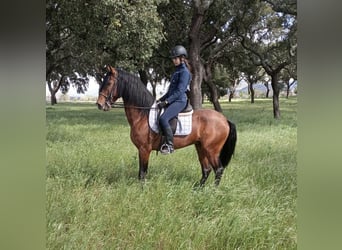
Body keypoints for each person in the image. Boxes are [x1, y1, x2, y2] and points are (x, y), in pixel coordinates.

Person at [156, 45, 192, 154]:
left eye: (176, 58)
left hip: (180, 101)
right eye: (173, 59)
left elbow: (180, 91)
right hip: (174, 99)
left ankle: (170, 145)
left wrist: (167, 102)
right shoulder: (176, 72)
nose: (174, 60)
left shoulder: (184, 72)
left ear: (182, 58)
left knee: (163, 119)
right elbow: (170, 92)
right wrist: (160, 100)